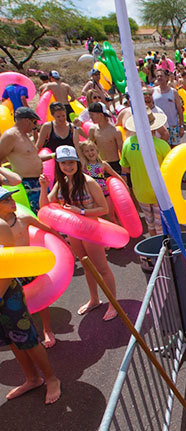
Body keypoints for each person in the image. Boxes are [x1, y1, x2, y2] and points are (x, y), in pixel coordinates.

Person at [38, 145, 118, 321]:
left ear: (77, 162)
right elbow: (45, 206)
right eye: (64, 163)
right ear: (58, 165)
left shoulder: (89, 181)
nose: (68, 166)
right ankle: (95, 299)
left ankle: (114, 304)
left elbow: (103, 208)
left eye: (71, 162)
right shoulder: (62, 183)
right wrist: (43, 187)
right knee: (87, 267)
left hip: (91, 231)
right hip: (73, 233)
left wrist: (79, 211)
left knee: (102, 268)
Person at [0, 214, 61, 404]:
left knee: (27, 338)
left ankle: (51, 378)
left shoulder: (1, 226)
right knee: (11, 339)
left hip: (7, 293)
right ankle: (33, 379)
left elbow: (12, 265)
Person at [121, 110, 172, 236]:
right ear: (154, 128)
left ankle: (154, 251)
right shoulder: (162, 145)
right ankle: (164, 252)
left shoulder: (127, 143)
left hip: (140, 192)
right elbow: (171, 170)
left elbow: (125, 168)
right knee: (161, 225)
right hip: (159, 193)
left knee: (150, 224)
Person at [0, 107, 44, 214]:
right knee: (34, 213)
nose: (34, 126)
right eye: (34, 122)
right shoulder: (11, 135)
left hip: (38, 182)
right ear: (26, 120)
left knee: (43, 212)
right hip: (26, 184)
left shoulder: (24, 136)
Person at [80, 140, 126, 224]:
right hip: (92, 196)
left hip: (105, 193)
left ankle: (116, 232)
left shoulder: (103, 164)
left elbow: (115, 175)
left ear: (96, 150)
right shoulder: (84, 165)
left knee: (111, 216)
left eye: (92, 149)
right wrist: (76, 130)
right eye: (86, 151)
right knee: (98, 218)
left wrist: (125, 186)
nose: (90, 153)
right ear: (83, 154)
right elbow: (76, 145)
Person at [87, 102, 123, 175]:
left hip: (115, 165)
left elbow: (122, 151)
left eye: (92, 115)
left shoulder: (115, 131)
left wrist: (124, 170)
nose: (90, 117)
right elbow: (87, 147)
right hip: (100, 164)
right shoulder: (93, 130)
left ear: (101, 114)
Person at [152, 68, 184, 147]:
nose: (159, 78)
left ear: (167, 78)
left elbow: (179, 110)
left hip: (172, 125)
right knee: (162, 149)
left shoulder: (173, 92)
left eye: (161, 76)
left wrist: (181, 126)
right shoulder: (153, 91)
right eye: (158, 76)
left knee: (174, 150)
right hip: (159, 127)